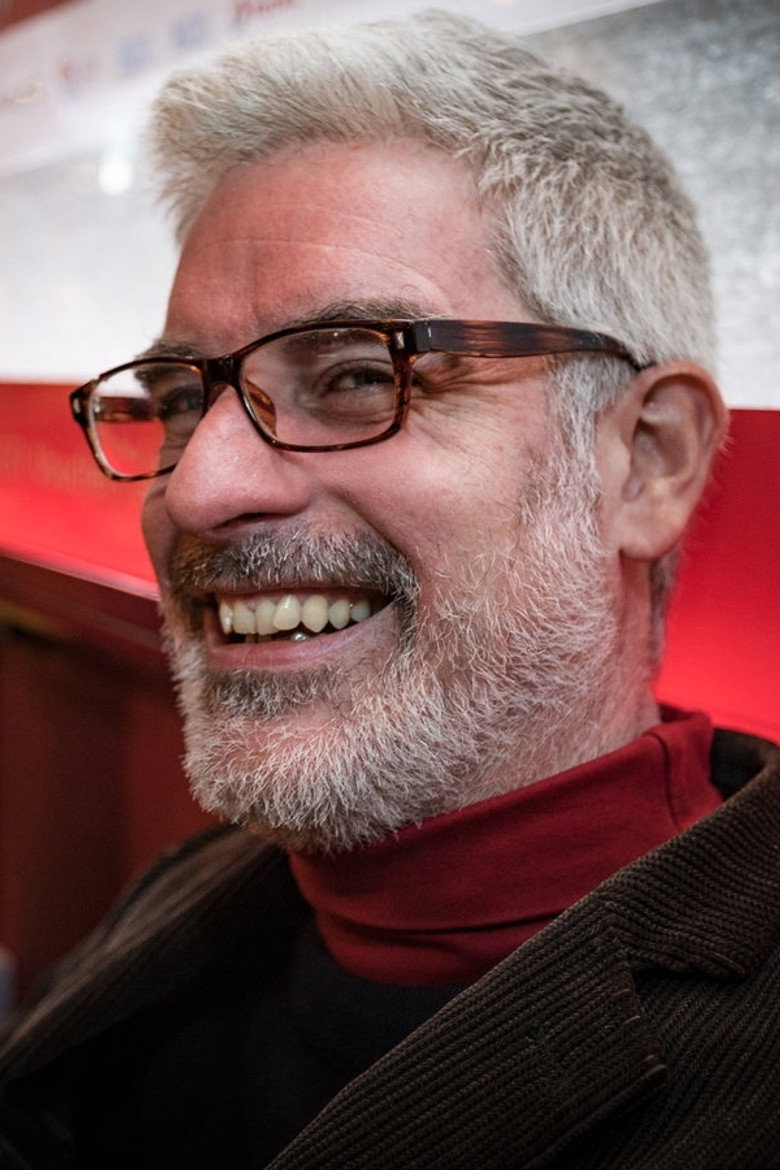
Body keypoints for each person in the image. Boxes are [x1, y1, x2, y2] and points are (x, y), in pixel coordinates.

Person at [1, 9, 778, 1167]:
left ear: (646, 461)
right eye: (181, 401)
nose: (198, 487)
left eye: (361, 376)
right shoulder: (188, 894)